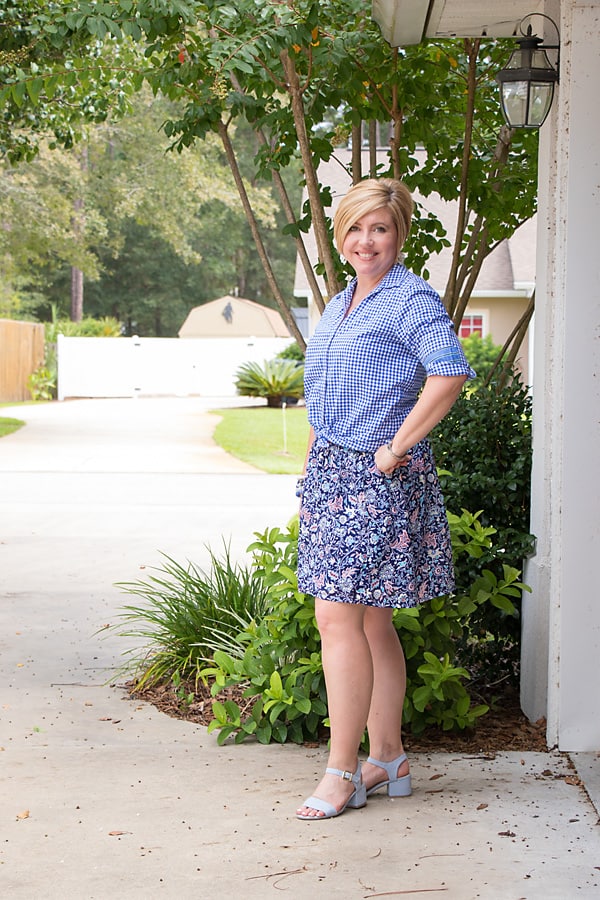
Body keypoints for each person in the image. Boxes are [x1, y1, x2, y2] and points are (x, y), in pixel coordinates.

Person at [295, 177, 475, 821]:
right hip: (331, 476)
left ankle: (342, 771)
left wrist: (396, 448)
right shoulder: (345, 302)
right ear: (339, 239)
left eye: (379, 228)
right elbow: (325, 392)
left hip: (377, 478)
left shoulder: (408, 298)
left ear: (398, 236)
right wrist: (314, 461)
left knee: (336, 618)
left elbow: (449, 371)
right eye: (354, 229)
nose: (365, 241)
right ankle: (389, 756)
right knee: (369, 621)